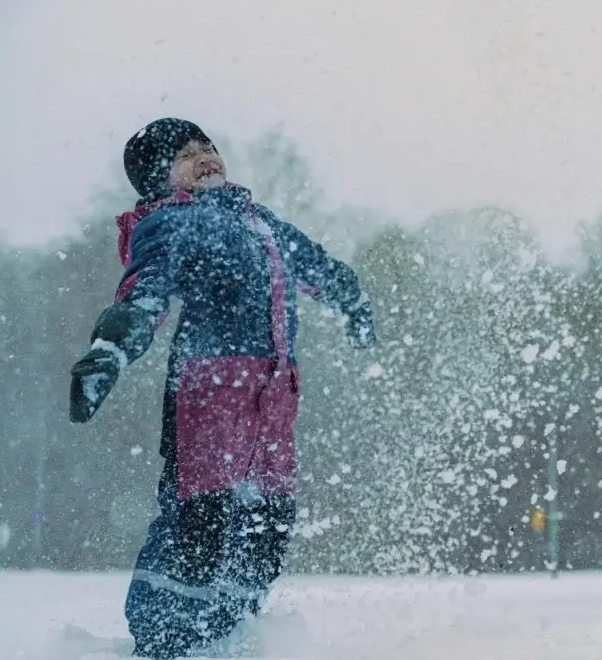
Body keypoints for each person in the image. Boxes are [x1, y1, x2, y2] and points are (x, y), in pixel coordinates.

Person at [68, 118, 377, 658]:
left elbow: (317, 266)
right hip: (210, 390)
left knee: (268, 521)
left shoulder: (262, 221)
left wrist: (351, 299)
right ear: (161, 180)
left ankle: (231, 635)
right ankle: (164, 639)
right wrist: (110, 350)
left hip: (275, 400)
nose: (206, 156)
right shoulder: (171, 221)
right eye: (186, 154)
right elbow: (146, 290)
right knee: (200, 516)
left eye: (207, 146)